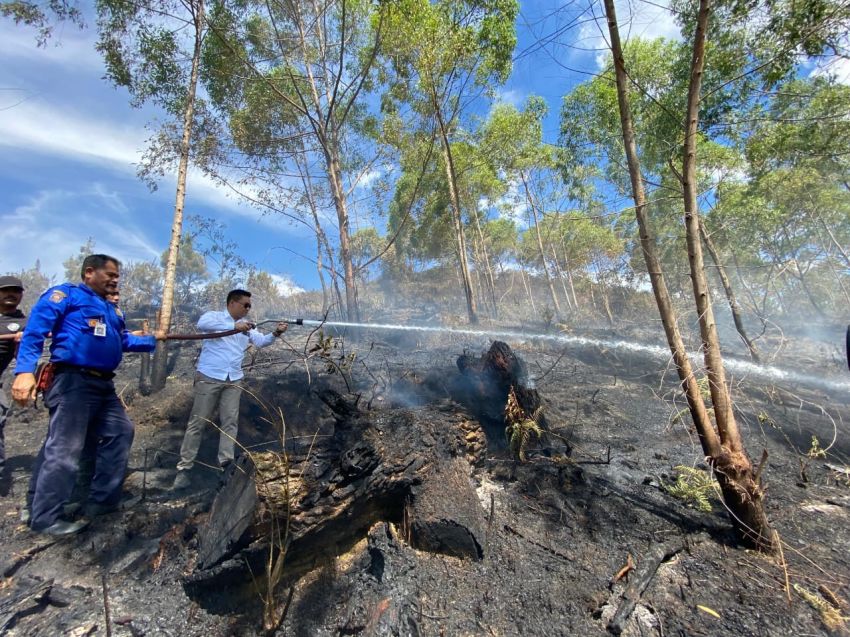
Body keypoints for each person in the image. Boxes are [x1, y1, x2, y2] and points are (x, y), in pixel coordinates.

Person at [11, 255, 160, 536]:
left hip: (104, 386)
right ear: (89, 272)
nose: (116, 280)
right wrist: (24, 371)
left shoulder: (112, 310)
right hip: (73, 382)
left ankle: (102, 501)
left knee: (120, 431)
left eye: (118, 276)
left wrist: (153, 339)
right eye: (111, 274)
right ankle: (44, 516)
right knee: (64, 448)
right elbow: (34, 331)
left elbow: (123, 340)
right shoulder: (66, 295)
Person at [172, 289, 287, 490]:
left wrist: (276, 333)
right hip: (209, 376)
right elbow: (202, 325)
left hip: (233, 378)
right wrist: (233, 326)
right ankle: (184, 468)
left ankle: (225, 464)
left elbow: (261, 341)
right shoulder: (214, 317)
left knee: (230, 422)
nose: (248, 308)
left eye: (250, 305)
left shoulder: (248, 327)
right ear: (232, 303)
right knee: (198, 422)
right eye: (245, 305)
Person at [0, 276, 27, 490]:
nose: (11, 294)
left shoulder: (23, 323)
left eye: (16, 291)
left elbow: (25, 358)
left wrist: (21, 342)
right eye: (5, 290)